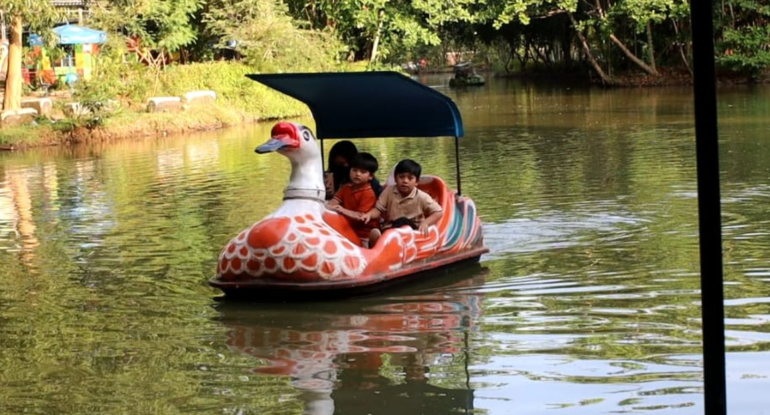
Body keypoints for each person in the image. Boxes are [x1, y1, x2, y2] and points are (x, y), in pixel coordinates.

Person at [361, 159, 443, 247]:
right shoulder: (389, 191)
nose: (405, 181)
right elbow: (378, 210)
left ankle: (384, 242)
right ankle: (380, 241)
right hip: (390, 228)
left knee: (403, 221)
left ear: (417, 182)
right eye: (401, 177)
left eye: (410, 178)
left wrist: (425, 223)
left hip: (412, 230)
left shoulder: (422, 196)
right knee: (386, 229)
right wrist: (368, 215)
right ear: (395, 179)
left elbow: (438, 212)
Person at [327, 152, 380, 248]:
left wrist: (342, 210)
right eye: (354, 170)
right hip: (348, 227)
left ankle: (373, 245)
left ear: (371, 176)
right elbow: (334, 201)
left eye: (363, 172)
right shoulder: (346, 187)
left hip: (364, 233)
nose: (357, 174)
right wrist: (327, 206)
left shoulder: (368, 193)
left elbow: (360, 216)